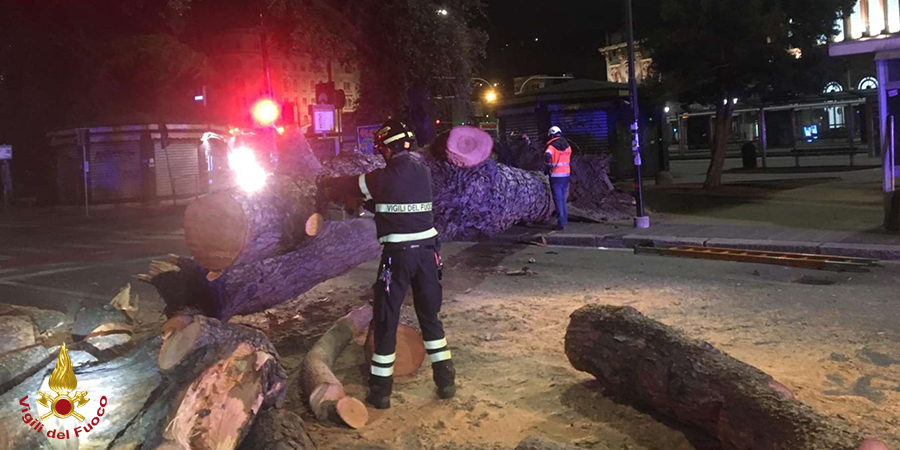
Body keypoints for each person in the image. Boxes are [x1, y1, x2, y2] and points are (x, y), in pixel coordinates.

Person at [322, 119, 456, 410]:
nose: (380, 153)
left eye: (381, 148)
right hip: (429, 254)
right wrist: (372, 204)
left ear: (388, 148)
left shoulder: (381, 178)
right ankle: (446, 380)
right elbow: (394, 200)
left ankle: (380, 391)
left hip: (398, 255)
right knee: (430, 316)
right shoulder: (423, 172)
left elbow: (353, 184)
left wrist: (325, 183)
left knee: (386, 317)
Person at [545, 126, 571, 230]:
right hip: (566, 175)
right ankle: (564, 220)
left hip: (556, 176)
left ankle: (561, 223)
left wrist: (548, 166)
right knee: (563, 199)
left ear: (551, 135)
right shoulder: (568, 146)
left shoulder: (552, 146)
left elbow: (547, 155)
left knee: (558, 200)